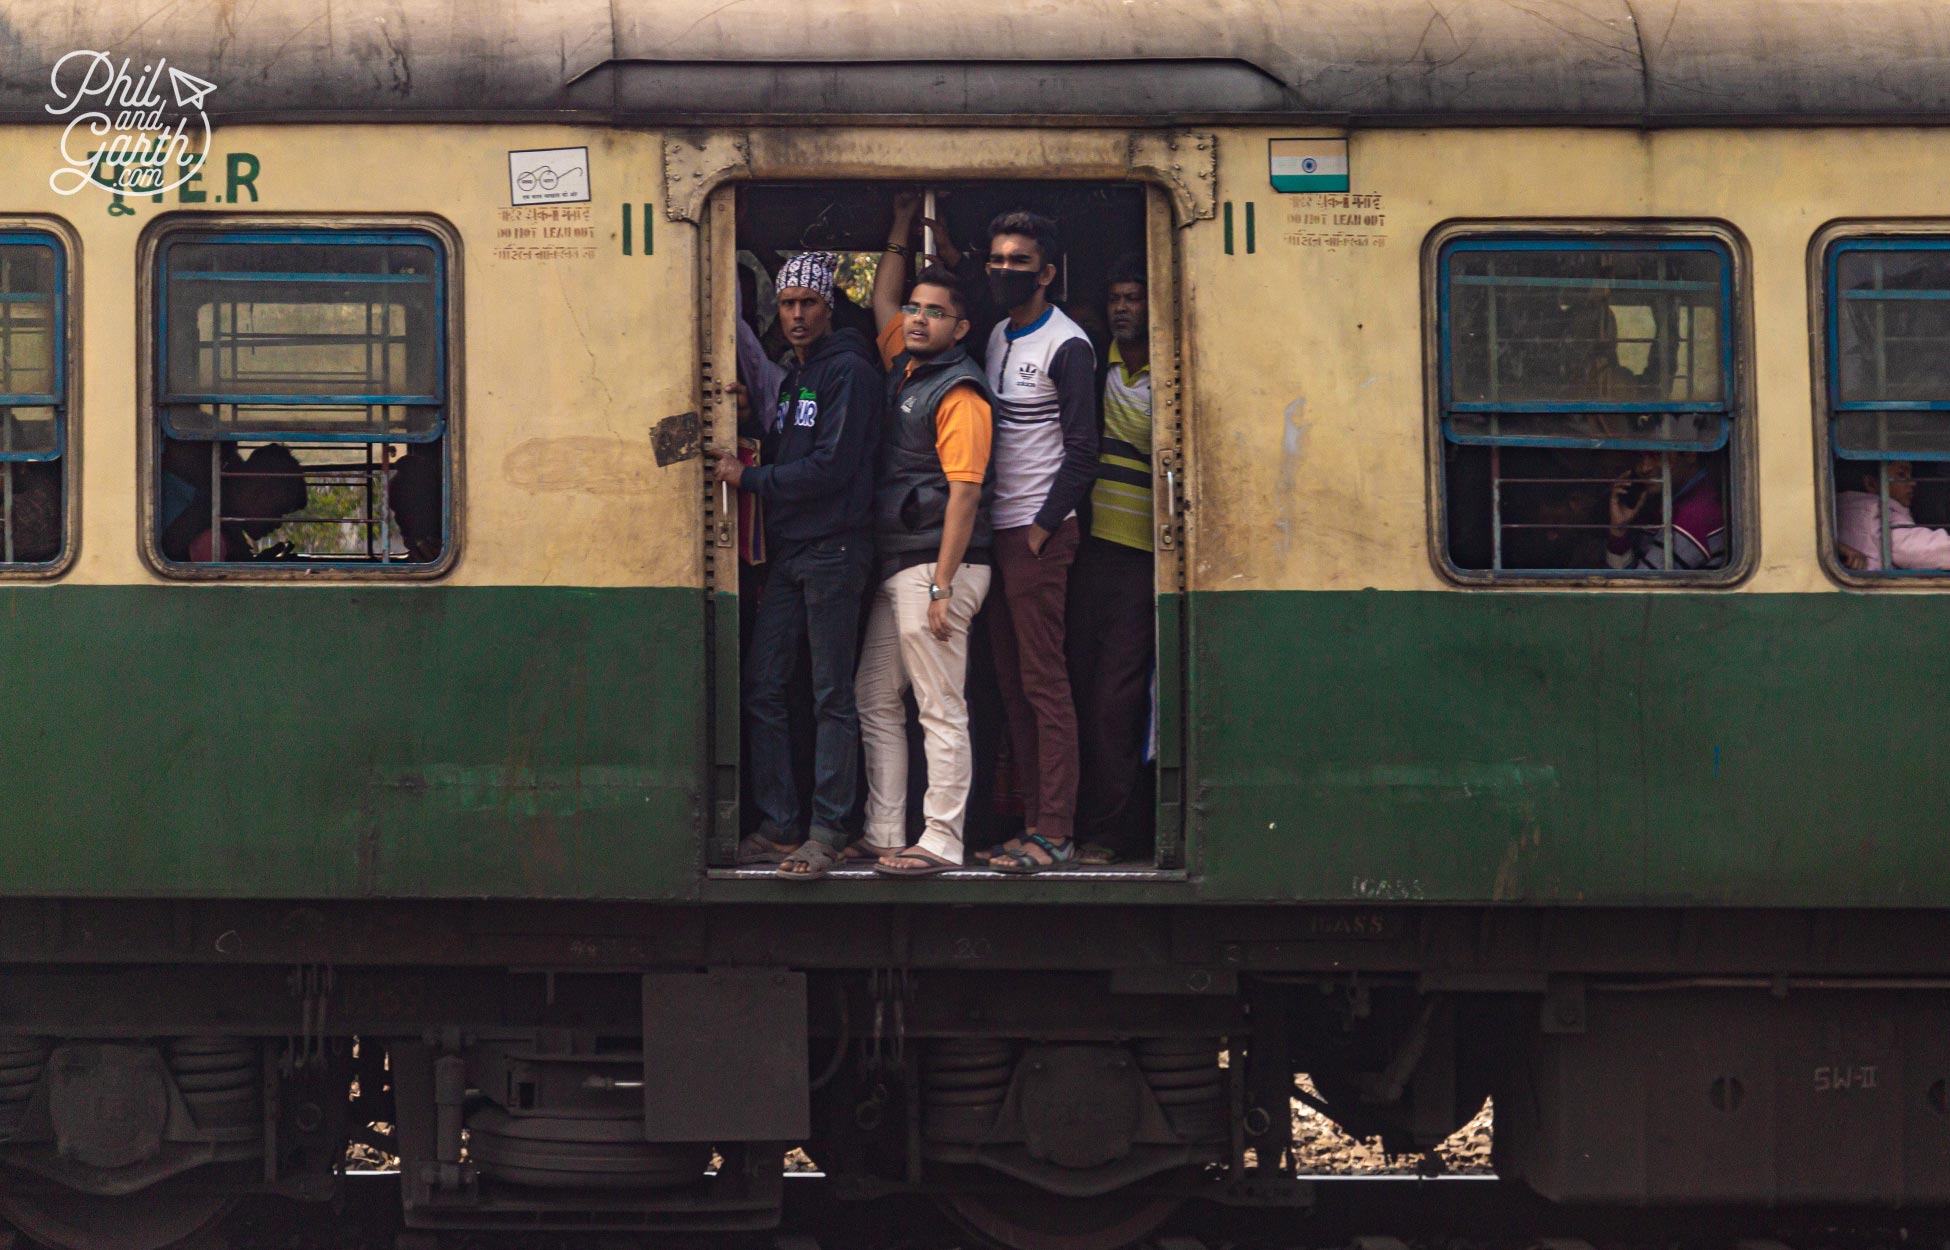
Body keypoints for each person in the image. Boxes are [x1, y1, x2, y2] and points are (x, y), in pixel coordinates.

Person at [710, 251, 881, 881]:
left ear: (828, 307)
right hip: (792, 552)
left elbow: (831, 468)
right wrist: (752, 414)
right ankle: (780, 824)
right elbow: (792, 445)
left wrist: (748, 476)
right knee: (764, 685)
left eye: (809, 304)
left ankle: (828, 831)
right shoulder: (797, 375)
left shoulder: (850, 373)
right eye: (788, 305)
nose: (797, 315)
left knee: (832, 694)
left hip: (835, 549)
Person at [850, 194, 997, 878]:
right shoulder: (905, 368)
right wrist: (901, 224)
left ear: (960, 328)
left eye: (934, 311)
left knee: (940, 707)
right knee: (875, 695)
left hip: (937, 570)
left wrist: (942, 582)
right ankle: (885, 829)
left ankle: (940, 838)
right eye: (916, 308)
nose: (915, 317)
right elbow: (882, 297)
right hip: (901, 565)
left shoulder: (959, 393)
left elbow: (965, 492)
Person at [974, 210, 1098, 873]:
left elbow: (1083, 455)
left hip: (1037, 535)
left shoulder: (1067, 345)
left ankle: (1055, 831)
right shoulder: (997, 333)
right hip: (999, 533)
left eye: (1017, 261)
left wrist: (1043, 530)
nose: (1002, 271)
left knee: (1044, 684)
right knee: (1013, 682)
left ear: (1046, 273)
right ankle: (1029, 825)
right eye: (996, 259)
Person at [1067, 254, 1155, 865]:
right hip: (1091, 551)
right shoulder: (1098, 360)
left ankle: (1113, 833)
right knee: (1079, 691)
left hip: (1145, 557)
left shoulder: (1169, 370)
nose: (1124, 308)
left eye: (1136, 298)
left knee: (1116, 703)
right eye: (1117, 298)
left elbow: (1159, 440)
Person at [178, 443, 308, 562]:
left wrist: (258, 564)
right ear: (257, 493)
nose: (278, 523)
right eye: (278, 511)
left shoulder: (228, 529)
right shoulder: (211, 538)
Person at [1605, 449, 1726, 571]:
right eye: (1640, 457)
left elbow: (1636, 586)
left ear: (1690, 454)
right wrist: (1618, 532)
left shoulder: (1694, 515)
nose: (1644, 468)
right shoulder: (1672, 503)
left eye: (1657, 455)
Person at [1836, 460, 1950, 570]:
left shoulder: (1840, 510)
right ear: (1871, 483)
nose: (1912, 483)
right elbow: (1919, 549)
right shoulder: (1877, 512)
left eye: (1911, 475)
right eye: (1901, 474)